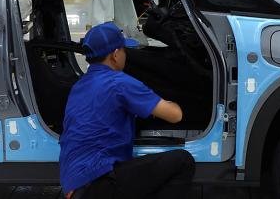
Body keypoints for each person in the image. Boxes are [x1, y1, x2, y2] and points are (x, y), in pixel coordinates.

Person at [60, 22, 194, 199]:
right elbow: (175, 115)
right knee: (183, 161)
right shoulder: (119, 83)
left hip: (74, 185)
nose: (126, 54)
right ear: (115, 55)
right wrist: (169, 102)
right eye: (124, 50)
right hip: (98, 182)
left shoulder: (79, 85)